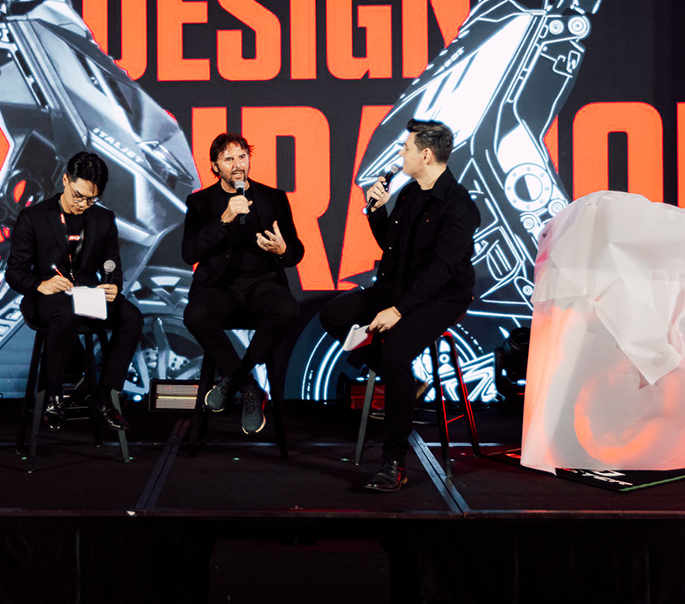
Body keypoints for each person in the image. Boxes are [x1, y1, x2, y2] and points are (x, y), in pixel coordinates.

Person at [320, 119, 480, 492]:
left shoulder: (459, 206)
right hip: (400, 286)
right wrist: (378, 210)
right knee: (332, 315)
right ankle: (405, 382)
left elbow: (440, 271)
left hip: (443, 296)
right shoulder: (409, 193)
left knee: (395, 352)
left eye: (406, 148)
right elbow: (391, 247)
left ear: (426, 155)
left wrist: (398, 311)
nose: (401, 154)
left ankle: (393, 463)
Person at [6, 151, 142, 431]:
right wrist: (39, 285)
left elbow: (113, 264)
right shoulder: (34, 217)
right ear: (66, 180)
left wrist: (114, 285)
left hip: (88, 294)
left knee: (132, 317)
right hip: (46, 296)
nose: (83, 204)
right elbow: (15, 272)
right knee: (65, 314)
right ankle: (53, 396)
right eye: (78, 196)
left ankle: (104, 395)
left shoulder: (103, 219)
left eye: (91, 199)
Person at [182, 133, 305, 435]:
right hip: (219, 285)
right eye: (228, 159)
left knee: (287, 310)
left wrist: (282, 250)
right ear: (215, 166)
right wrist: (223, 219)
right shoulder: (200, 202)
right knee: (195, 315)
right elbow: (189, 253)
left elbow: (296, 251)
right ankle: (250, 388)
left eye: (242, 157)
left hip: (263, 283)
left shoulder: (273, 198)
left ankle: (233, 380)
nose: (237, 165)